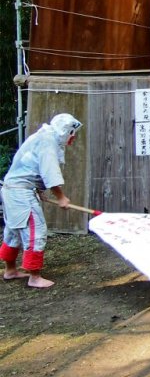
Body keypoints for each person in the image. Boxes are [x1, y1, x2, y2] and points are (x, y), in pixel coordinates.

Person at [0, 113, 82, 289]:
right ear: (64, 131)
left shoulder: (42, 136)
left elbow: (27, 166)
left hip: (12, 189)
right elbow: (49, 171)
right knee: (35, 230)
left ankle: (10, 270)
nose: (73, 137)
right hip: (21, 193)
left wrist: (37, 189)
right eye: (71, 133)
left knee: (13, 230)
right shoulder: (48, 142)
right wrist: (61, 197)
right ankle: (34, 276)